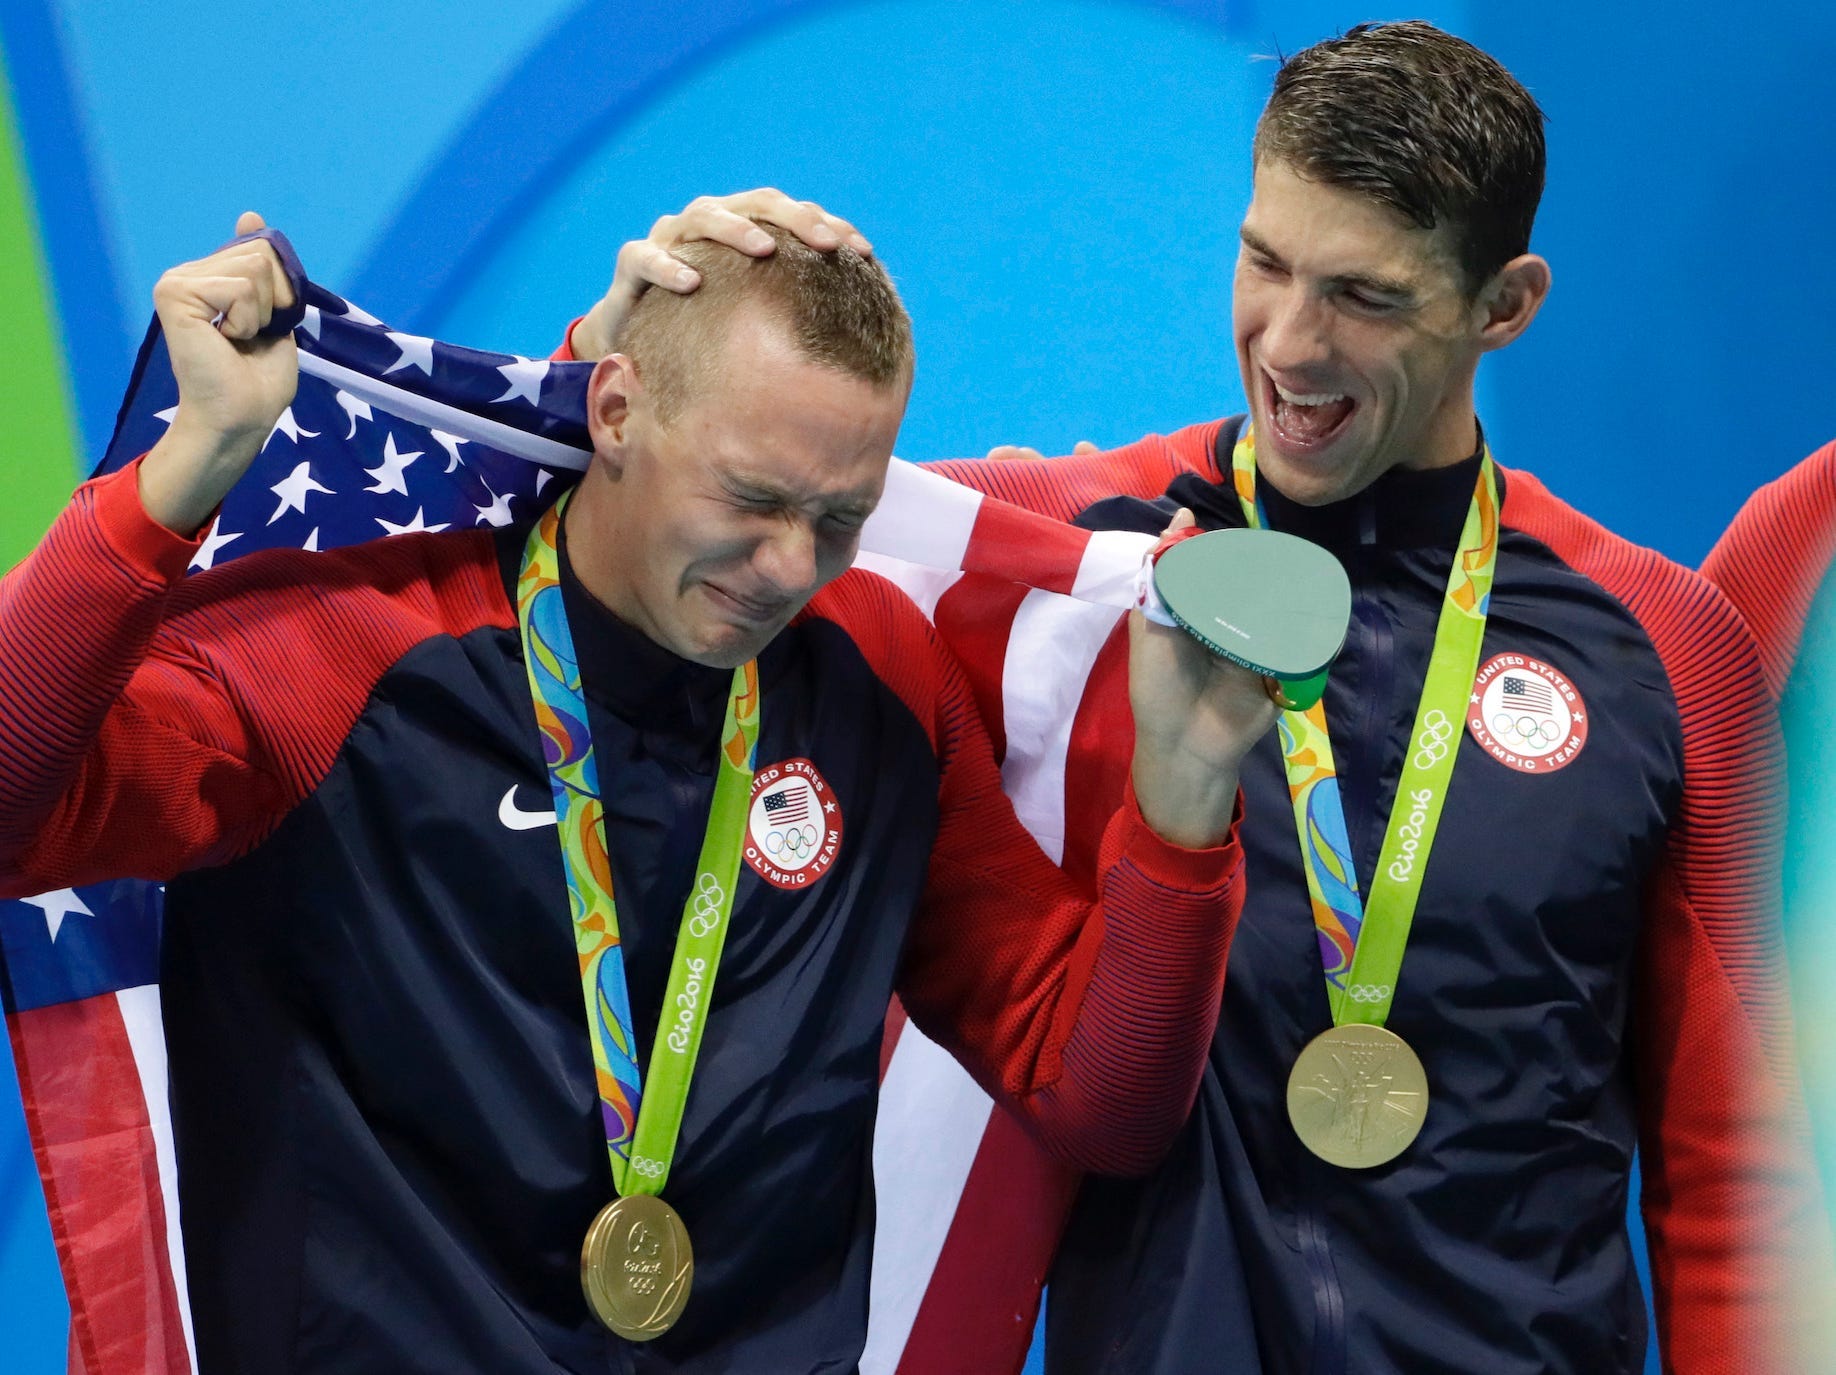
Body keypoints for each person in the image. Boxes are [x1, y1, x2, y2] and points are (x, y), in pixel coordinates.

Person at [574, 22, 1825, 1374]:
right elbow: (663, 529)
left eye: (1366, 295)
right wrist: (626, 334)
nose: (1289, 340)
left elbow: (1734, 1182)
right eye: (1265, 260)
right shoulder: (1070, 570)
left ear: (1505, 303)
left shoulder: (1656, 644)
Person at [0, 216, 1283, 1372]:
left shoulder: (877, 672)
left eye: (840, 517)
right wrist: (174, 481)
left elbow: (1093, 1097)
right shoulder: (350, 656)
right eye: (754, 498)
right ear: (612, 410)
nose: (790, 565)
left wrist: (1183, 798)